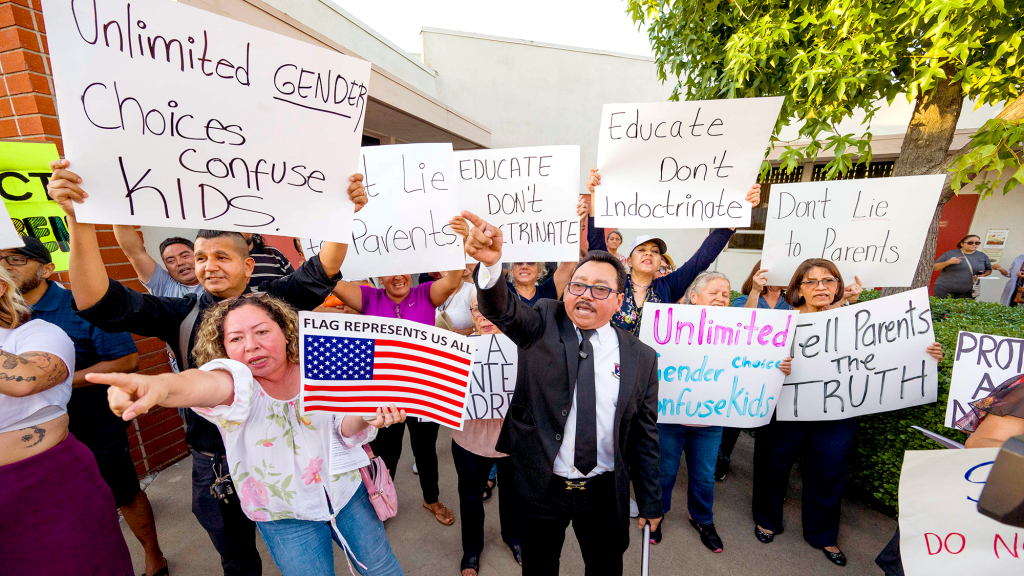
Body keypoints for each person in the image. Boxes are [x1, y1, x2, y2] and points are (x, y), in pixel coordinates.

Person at [47, 158, 367, 576]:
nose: (208, 265)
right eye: (200, 257)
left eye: (221, 255)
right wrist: (80, 222)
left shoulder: (277, 301)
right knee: (237, 560)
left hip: (289, 452)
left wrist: (341, 210)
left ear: (248, 265)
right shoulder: (177, 314)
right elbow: (98, 302)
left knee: (313, 544)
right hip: (215, 463)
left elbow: (322, 268)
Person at [96, 295, 406, 576]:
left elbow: (343, 427)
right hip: (284, 515)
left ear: (285, 331)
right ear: (224, 349)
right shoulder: (236, 384)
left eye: (261, 332)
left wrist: (367, 414)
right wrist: (161, 387)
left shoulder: (321, 366)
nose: (250, 345)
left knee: (383, 569)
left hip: (348, 494)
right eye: (236, 338)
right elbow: (200, 385)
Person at [462, 210, 662, 576]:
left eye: (600, 289)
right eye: (578, 285)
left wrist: (651, 501)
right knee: (539, 568)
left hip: (604, 490)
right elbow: (503, 310)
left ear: (619, 301)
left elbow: (644, 435)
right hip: (542, 485)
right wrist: (490, 266)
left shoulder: (642, 358)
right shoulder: (543, 320)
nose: (586, 295)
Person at [751, 258, 944, 567]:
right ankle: (767, 520)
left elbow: (891, 353)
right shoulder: (782, 321)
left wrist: (925, 352)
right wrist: (776, 366)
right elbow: (754, 360)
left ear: (838, 286)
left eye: (828, 280)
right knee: (772, 466)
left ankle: (823, 535)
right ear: (797, 289)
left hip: (837, 413)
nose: (820, 287)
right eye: (811, 282)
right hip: (785, 409)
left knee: (830, 473)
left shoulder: (859, 320)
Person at [0, 237, 170, 576]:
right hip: (40, 438)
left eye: (17, 259)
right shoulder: (12, 322)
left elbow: (128, 359)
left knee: (123, 491)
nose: (7, 266)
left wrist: (62, 378)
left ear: (47, 268)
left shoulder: (80, 305)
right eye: (1, 259)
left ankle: (153, 557)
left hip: (94, 423)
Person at [653, 271, 791, 552]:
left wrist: (779, 365)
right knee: (664, 473)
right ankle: (656, 515)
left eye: (726, 295)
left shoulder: (740, 331)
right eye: (713, 293)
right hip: (669, 418)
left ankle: (702, 519)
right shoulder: (671, 324)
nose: (721, 298)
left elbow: (758, 361)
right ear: (694, 297)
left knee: (704, 475)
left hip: (710, 421)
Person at [330, 267, 466, 526]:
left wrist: (456, 245)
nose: (398, 277)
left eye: (403, 271)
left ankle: (431, 498)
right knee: (385, 452)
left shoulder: (426, 294)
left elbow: (454, 279)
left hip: (422, 394)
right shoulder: (368, 298)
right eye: (389, 272)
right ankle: (381, 498)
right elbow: (331, 280)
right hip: (385, 398)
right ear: (379, 277)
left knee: (425, 450)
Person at [585, 167, 762, 335]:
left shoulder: (669, 287)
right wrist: (595, 195)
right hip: (609, 363)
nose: (649, 253)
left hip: (651, 365)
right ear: (629, 261)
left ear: (659, 262)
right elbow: (596, 245)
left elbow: (702, 258)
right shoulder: (615, 283)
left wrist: (739, 210)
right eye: (642, 250)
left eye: (655, 251)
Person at [452, 289, 521, 576]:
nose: (483, 315)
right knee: (470, 496)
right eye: (476, 309)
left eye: (489, 307)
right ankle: (472, 550)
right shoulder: (457, 348)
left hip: (512, 439)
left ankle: (514, 538)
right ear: (471, 316)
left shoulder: (522, 346)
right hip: (469, 440)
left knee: (514, 493)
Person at [114, 226, 204, 298]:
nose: (180, 263)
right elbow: (134, 253)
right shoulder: (163, 284)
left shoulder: (216, 277)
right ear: (167, 267)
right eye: (171, 261)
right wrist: (120, 214)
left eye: (185, 256)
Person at [932, 235, 992, 299]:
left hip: (968, 291)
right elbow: (935, 267)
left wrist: (983, 275)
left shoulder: (982, 255)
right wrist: (948, 262)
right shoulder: (950, 253)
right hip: (945, 289)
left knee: (962, 309)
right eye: (970, 243)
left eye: (977, 243)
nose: (974, 244)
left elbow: (989, 270)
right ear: (962, 244)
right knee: (943, 308)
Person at [437, 264, 478, 336]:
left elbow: (487, 323)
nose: (447, 267)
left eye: (451, 263)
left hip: (465, 343)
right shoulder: (430, 291)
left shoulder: (472, 290)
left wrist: (464, 332)